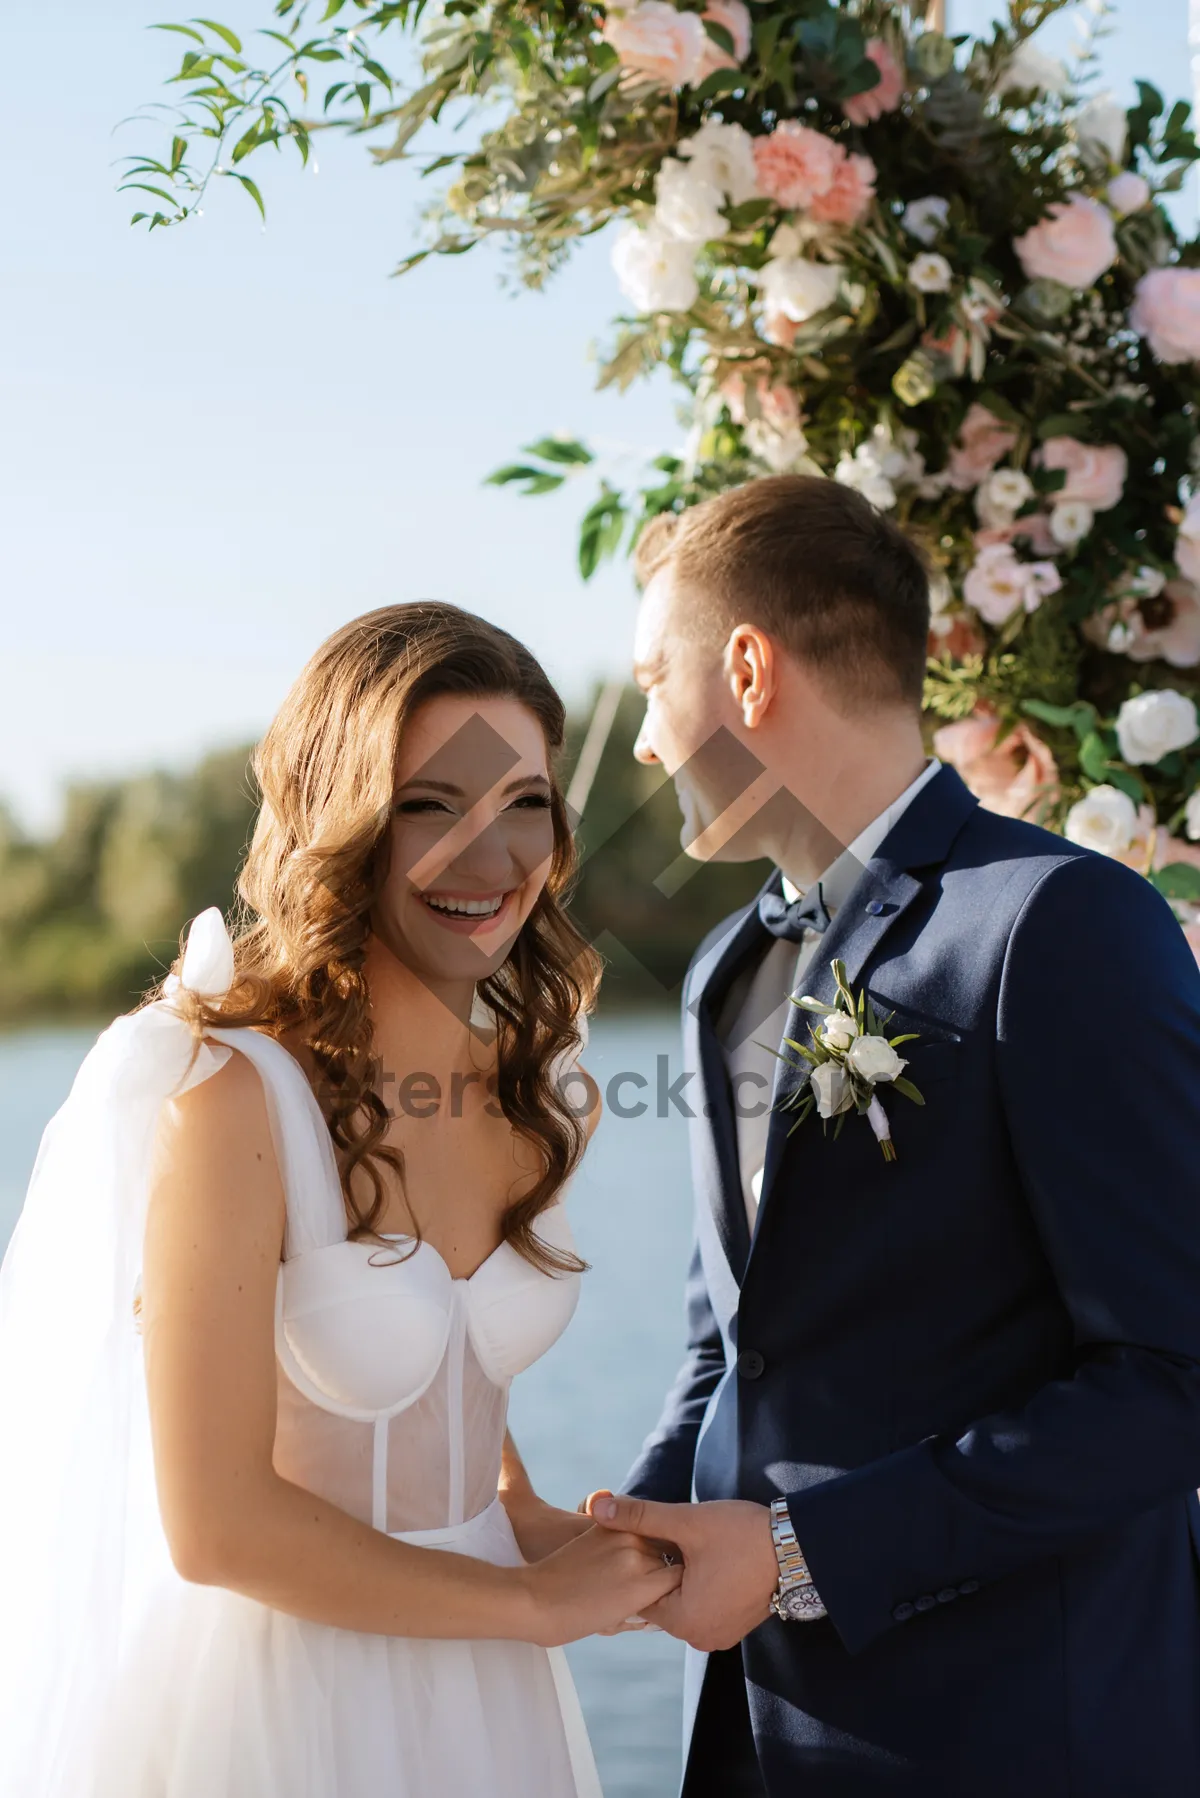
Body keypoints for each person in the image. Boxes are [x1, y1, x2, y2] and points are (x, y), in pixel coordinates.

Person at [0, 601, 681, 1798]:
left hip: (489, 1704)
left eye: (526, 804)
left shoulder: (537, 1088)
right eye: (434, 807)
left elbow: (444, 1398)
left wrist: (542, 1527)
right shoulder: (230, 1098)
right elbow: (216, 1525)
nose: (494, 859)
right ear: (345, 820)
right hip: (286, 1711)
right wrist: (527, 1601)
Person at [586, 475, 1200, 1797]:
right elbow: (731, 1347)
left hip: (1023, 1738)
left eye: (650, 681)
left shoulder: (1059, 925)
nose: (640, 739)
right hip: (757, 1743)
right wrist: (631, 1527)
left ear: (748, 670)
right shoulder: (720, 974)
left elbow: (1173, 1376)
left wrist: (807, 1548)